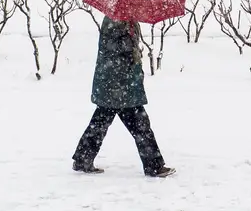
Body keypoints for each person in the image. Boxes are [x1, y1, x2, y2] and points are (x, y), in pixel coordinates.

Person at [72, 16, 175, 177]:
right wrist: (129, 44)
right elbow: (110, 46)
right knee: (140, 127)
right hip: (117, 86)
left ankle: (82, 159)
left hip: (122, 85)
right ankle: (154, 166)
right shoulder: (114, 20)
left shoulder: (129, 21)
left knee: (99, 124)